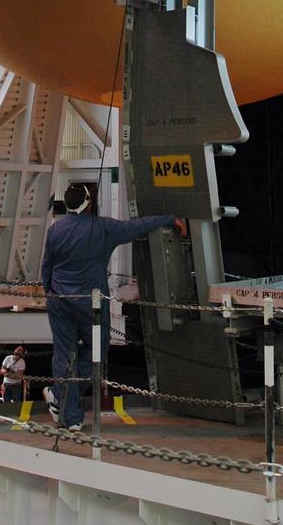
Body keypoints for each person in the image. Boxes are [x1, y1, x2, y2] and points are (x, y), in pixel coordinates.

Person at [41, 182, 187, 431]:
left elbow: (47, 268)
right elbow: (137, 226)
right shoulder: (103, 228)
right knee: (97, 350)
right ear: (89, 202)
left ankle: (68, 410)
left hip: (59, 304)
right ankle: (67, 407)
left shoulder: (55, 230)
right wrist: (170, 219)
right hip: (92, 306)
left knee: (64, 357)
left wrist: (50, 293)